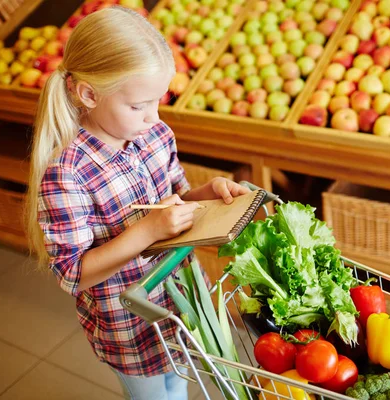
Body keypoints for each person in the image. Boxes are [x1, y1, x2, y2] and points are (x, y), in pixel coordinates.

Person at [25, 7, 250, 400]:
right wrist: (146, 232)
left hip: (180, 307)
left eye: (158, 101)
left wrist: (207, 193)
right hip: (129, 329)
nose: (154, 117)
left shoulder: (156, 135)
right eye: (138, 106)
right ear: (89, 95)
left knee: (177, 384)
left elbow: (175, 199)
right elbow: (73, 274)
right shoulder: (67, 174)